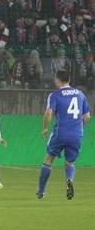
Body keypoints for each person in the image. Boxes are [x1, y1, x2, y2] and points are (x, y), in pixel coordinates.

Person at [37, 70, 90, 200]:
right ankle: (69, 180)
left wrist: (44, 128)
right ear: (69, 80)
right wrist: (78, 127)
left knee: (48, 160)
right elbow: (87, 116)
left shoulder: (55, 95)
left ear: (57, 80)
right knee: (70, 162)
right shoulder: (80, 94)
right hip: (76, 134)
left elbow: (49, 113)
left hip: (60, 132)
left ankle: (41, 191)